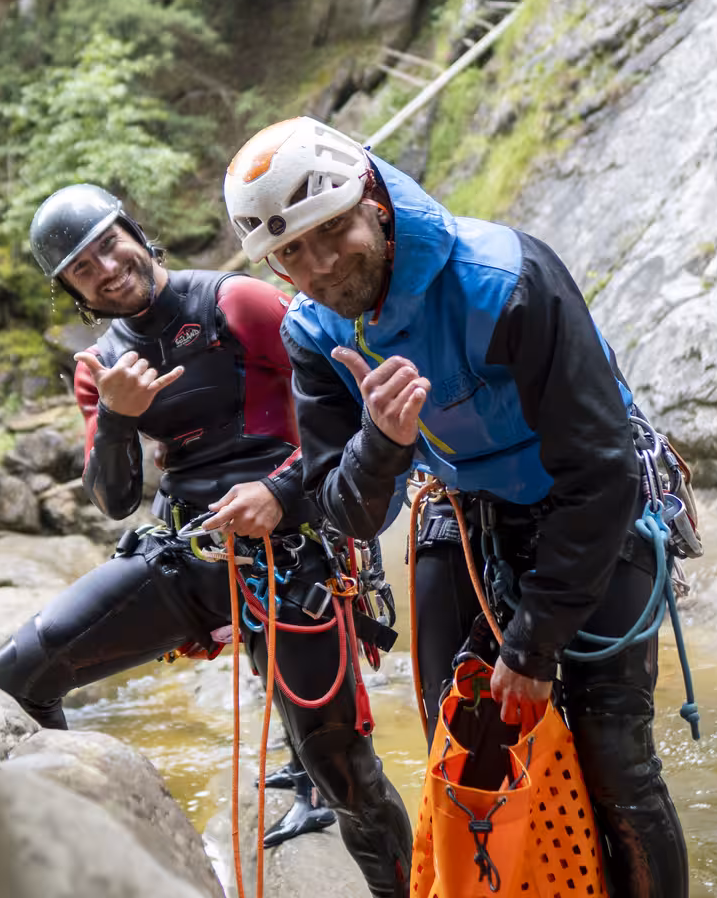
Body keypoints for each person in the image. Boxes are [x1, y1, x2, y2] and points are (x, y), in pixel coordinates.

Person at [223, 119, 692, 897]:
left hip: (595, 496)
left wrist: (533, 647)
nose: (323, 266)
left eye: (332, 230)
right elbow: (348, 513)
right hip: (466, 504)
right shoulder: (312, 330)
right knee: (464, 738)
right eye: (293, 252)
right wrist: (381, 439)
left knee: (617, 758)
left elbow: (600, 472)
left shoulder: (503, 279)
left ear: (372, 200)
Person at [0, 184, 414, 895]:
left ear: (135, 232)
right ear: (73, 293)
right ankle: (86, 856)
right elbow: (116, 499)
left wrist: (282, 494)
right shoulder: (100, 368)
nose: (106, 268)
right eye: (83, 269)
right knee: (17, 677)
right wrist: (119, 419)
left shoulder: (235, 302)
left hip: (291, 547)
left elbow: (348, 412)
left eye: (108, 245)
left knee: (346, 771)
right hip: (188, 549)